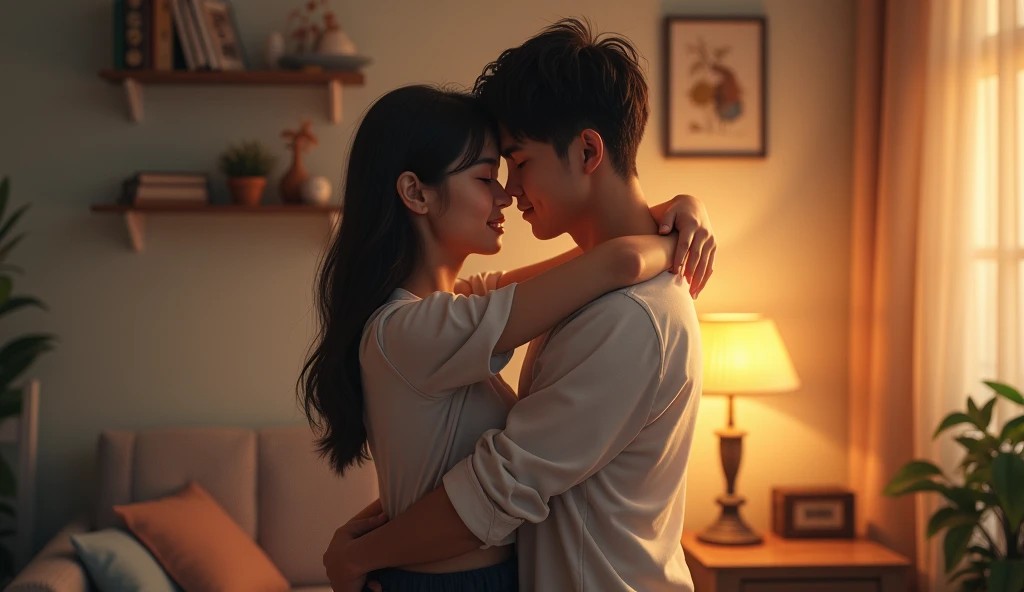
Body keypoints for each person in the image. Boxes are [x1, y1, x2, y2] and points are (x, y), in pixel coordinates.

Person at [322, 18, 708, 592]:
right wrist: (674, 228)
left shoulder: (629, 318)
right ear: (415, 194)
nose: (510, 190)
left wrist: (359, 557)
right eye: (491, 174)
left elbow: (496, 489)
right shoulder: (577, 298)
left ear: (587, 149)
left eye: (518, 162)